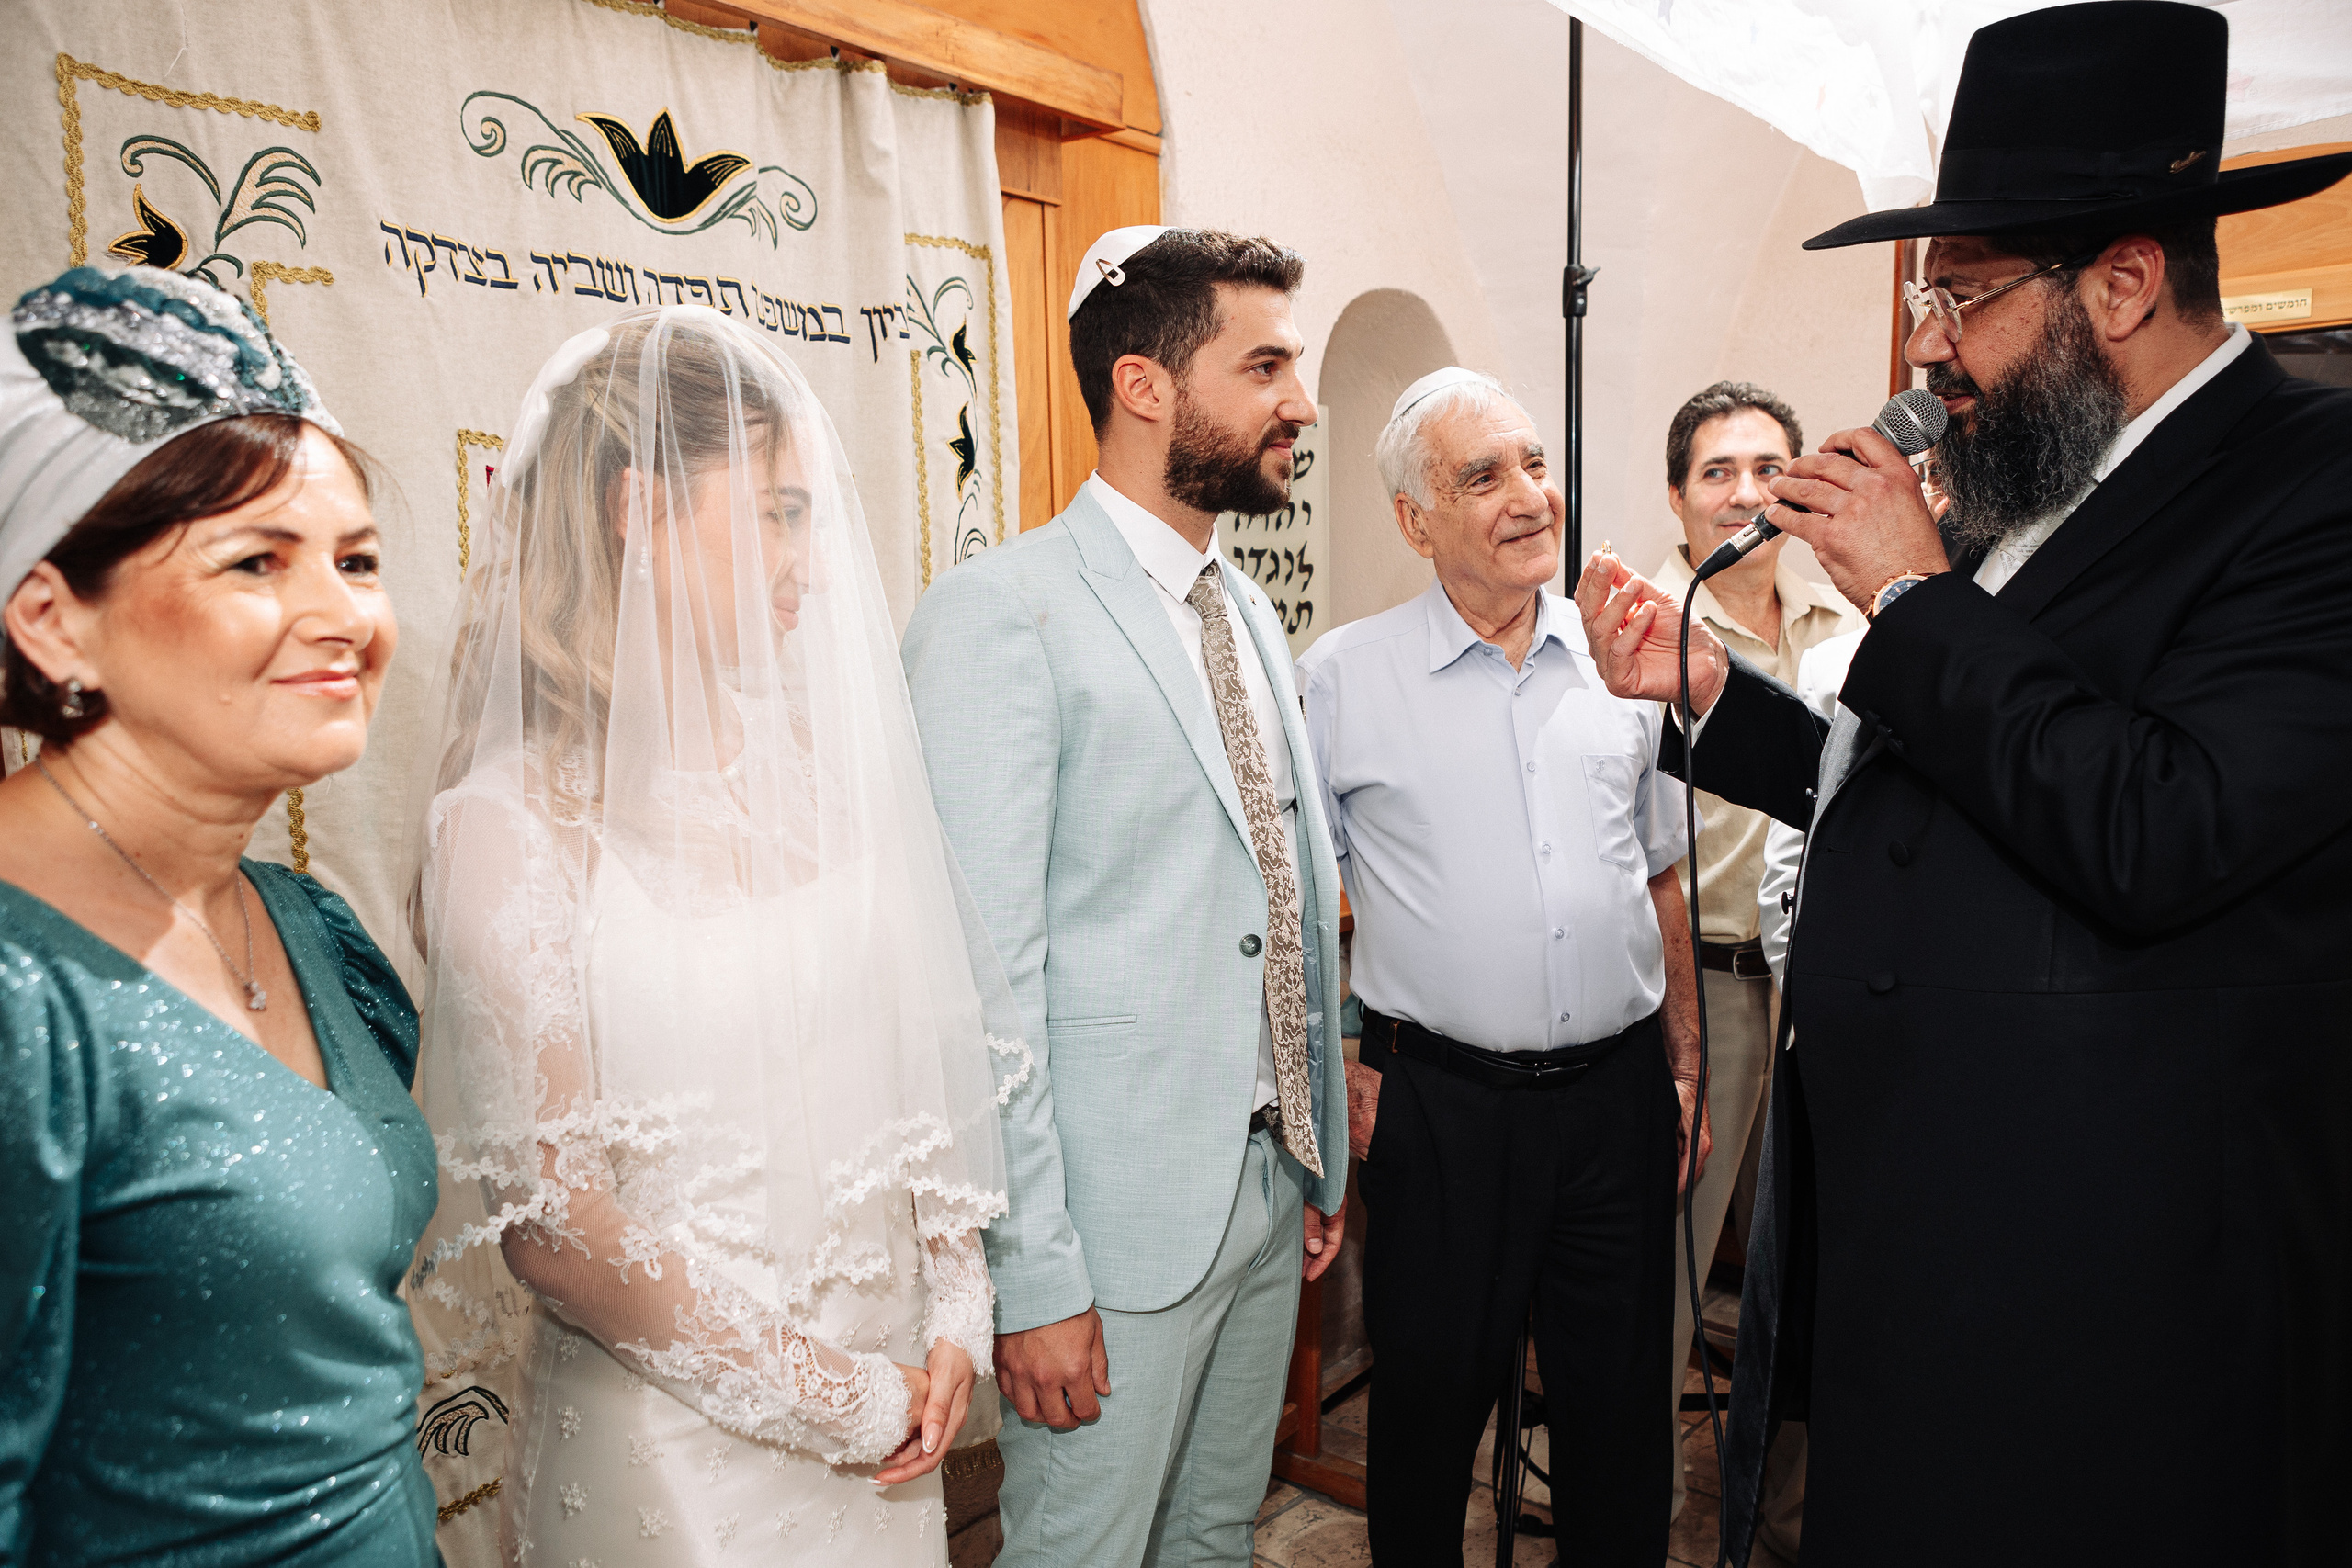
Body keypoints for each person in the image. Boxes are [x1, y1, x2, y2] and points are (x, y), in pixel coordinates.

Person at [1575, 6, 2352, 1563]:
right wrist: (1722, 696)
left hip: (2111, 1306)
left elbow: (2159, 823)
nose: (1927, 343)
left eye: (1965, 292)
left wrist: (1919, 602)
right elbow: (1951, 797)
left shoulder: (2308, 485)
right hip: (1922, 1251)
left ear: (2123, 284)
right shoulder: (2043, 486)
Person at [408, 306, 1017, 1563]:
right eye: (778, 510)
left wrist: (958, 1296)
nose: (813, 553)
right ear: (639, 508)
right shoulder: (510, 826)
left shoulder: (817, 773)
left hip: (897, 1421)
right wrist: (835, 1394)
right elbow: (557, 1226)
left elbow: (922, 1053)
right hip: (682, 1466)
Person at [900, 227, 1349, 1568]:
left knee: (1213, 1536)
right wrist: (1031, 1272)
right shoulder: (1002, 614)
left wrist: (1318, 1120)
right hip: (1107, 1226)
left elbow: (1281, 881)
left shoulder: (1246, 608)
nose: (1301, 402)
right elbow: (984, 979)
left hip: (1268, 1192)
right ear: (1148, 385)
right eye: (1263, 364)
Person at [0, 265, 436, 1562]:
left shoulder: (298, 920)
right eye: (258, 560)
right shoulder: (24, 989)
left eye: (358, 560)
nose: (345, 616)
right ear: (52, 620)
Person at [1296, 367, 1702, 1567]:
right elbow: (1306, 911)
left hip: (1618, 1096)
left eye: (1534, 462)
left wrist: (1687, 1070)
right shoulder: (1342, 678)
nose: (1532, 495)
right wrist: (1342, 1063)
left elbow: (1664, 874)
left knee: (1618, 1421)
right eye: (1487, 474)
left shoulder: (1630, 657)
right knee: (1426, 1421)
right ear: (1416, 519)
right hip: (1442, 1108)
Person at [1645, 381, 1853, 1542]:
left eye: (1768, 468)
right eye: (1717, 472)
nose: (1745, 494)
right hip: (1707, 999)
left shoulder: (1848, 623)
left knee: (1811, 1275)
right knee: (1664, 1278)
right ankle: (1620, 1507)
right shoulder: (1645, 634)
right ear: (1677, 500)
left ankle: (1778, 1514)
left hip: (1816, 1001)